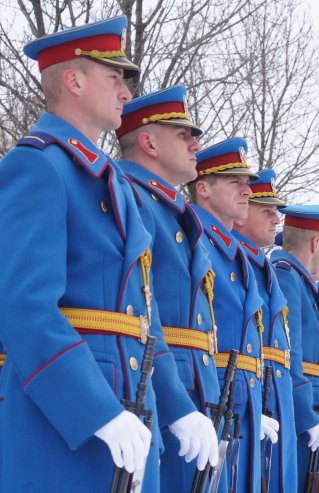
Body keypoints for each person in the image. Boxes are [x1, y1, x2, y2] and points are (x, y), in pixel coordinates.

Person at [0, 16, 205, 491]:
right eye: (114, 78)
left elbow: (145, 319)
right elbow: (23, 307)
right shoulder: (37, 166)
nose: (126, 94)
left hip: (132, 408)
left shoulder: (116, 186)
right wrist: (94, 409)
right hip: (64, 418)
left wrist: (177, 408)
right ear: (73, 80)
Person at [116, 85, 222, 491]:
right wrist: (177, 401)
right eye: (183, 135)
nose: (196, 144)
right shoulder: (132, 199)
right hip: (153, 385)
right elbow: (143, 312)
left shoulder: (169, 210)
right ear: (148, 143)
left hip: (193, 388)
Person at [189, 137, 277, 492]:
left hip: (237, 405)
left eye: (247, 183)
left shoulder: (235, 252)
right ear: (203, 189)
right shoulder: (194, 238)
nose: (247, 191)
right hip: (206, 399)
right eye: (235, 182)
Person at [270, 205, 319, 492]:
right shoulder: (287, 276)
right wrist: (305, 413)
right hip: (309, 406)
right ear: (316, 243)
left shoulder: (302, 283)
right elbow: (289, 352)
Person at [232, 168, 296, 492]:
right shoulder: (234, 259)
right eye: (267, 211)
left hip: (269, 400)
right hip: (246, 400)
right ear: (242, 215)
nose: (276, 220)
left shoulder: (263, 266)